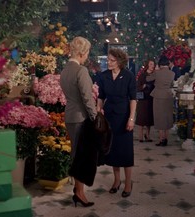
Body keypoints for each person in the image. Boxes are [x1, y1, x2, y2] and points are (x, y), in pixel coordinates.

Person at [59, 36, 97, 207]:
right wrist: (95, 117)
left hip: (70, 116)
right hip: (81, 118)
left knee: (76, 153)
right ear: (82, 53)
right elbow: (87, 99)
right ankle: (80, 193)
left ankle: (77, 190)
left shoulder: (65, 70)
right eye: (87, 52)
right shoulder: (81, 71)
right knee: (81, 156)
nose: (88, 56)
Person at [96, 48, 137, 198]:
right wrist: (98, 109)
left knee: (125, 150)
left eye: (112, 60)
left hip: (124, 116)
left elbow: (133, 99)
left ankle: (128, 182)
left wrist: (132, 118)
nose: (109, 62)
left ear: (120, 61)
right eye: (108, 60)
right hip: (109, 117)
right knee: (113, 150)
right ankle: (116, 180)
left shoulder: (128, 76)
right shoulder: (103, 76)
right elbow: (100, 96)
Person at [146, 55, 174, 146]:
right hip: (168, 96)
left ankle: (161, 140)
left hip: (158, 96)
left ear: (160, 64)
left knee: (159, 118)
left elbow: (147, 78)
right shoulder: (172, 73)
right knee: (167, 117)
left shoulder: (157, 72)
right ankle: (166, 139)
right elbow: (172, 84)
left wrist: (154, 70)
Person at [135, 59, 155, 142]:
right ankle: (140, 136)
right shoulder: (142, 75)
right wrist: (143, 86)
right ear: (147, 65)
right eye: (150, 64)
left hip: (151, 98)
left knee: (149, 119)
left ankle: (148, 135)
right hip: (143, 99)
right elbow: (137, 87)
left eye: (153, 64)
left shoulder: (155, 75)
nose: (152, 66)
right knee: (141, 118)